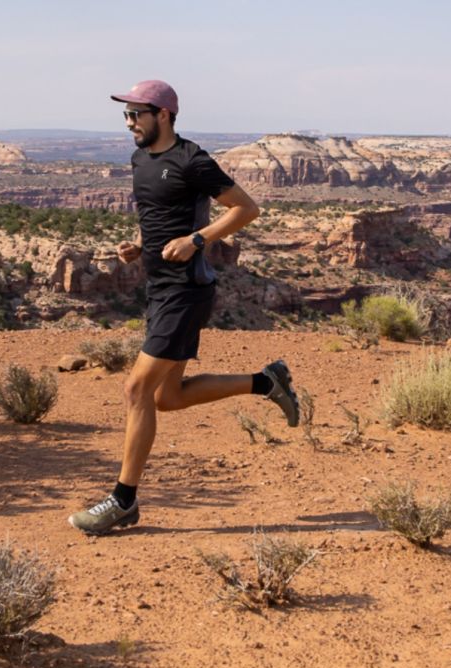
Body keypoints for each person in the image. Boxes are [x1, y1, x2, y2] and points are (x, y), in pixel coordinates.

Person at [70, 80, 299, 535]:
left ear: (164, 114)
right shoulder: (140, 160)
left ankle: (123, 501)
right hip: (158, 287)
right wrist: (140, 246)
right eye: (127, 115)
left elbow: (245, 209)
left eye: (137, 114)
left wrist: (198, 240)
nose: (130, 123)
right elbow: (159, 217)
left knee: (136, 390)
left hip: (186, 290)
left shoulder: (191, 159)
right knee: (165, 398)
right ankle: (264, 381)